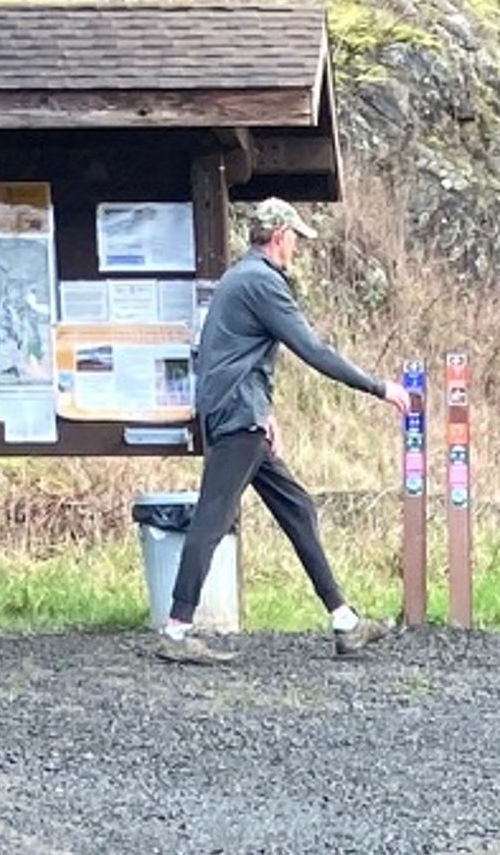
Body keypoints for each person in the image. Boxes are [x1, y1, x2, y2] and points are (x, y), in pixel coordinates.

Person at [157, 203, 392, 662]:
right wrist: (380, 388)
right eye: (296, 238)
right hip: (238, 418)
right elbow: (313, 349)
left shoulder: (239, 278)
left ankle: (345, 622)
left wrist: (263, 409)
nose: (298, 248)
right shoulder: (262, 282)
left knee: (297, 507)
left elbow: (225, 355)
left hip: (241, 414)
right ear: (280, 235)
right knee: (212, 517)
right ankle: (176, 632)